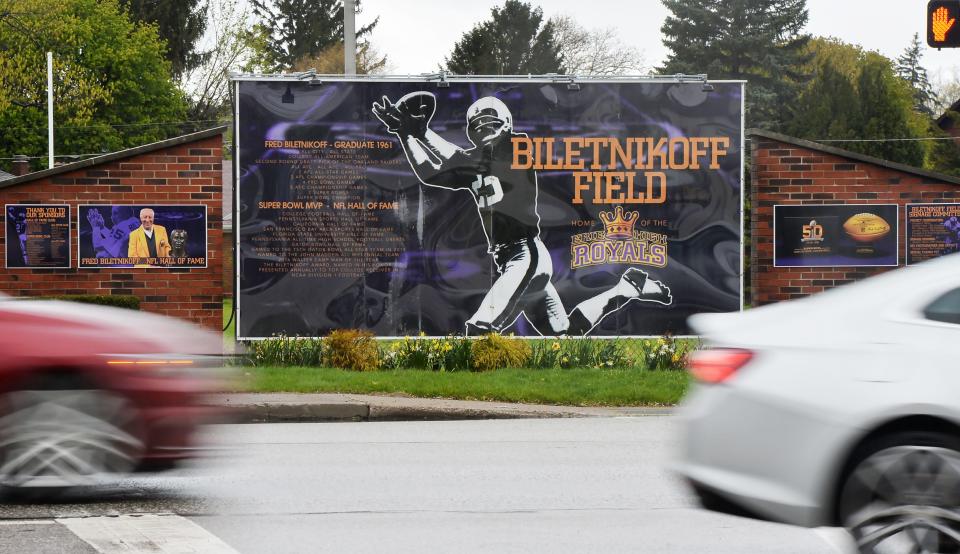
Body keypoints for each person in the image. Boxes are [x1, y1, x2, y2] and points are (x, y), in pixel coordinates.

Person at [373, 91, 672, 336]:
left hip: (525, 254)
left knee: (481, 327)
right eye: (477, 126)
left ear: (505, 124)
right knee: (563, 334)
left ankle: (472, 384)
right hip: (509, 258)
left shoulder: (516, 145)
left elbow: (455, 159)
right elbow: (430, 173)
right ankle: (626, 288)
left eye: (490, 123)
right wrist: (407, 136)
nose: (483, 129)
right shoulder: (475, 162)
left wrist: (422, 131)